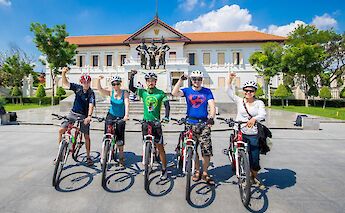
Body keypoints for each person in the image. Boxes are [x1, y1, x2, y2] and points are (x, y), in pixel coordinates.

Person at [171, 70, 216, 185]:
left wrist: (211, 117)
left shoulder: (207, 91)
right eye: (194, 79)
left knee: (206, 150)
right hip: (190, 123)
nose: (197, 81)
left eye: (199, 79)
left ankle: (205, 172)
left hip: (204, 124)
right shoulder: (187, 90)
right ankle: (196, 170)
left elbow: (212, 105)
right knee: (193, 149)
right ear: (191, 80)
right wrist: (180, 80)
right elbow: (174, 93)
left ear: (202, 80)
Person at [226, 72, 266, 187]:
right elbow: (228, 92)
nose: (248, 93)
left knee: (255, 159)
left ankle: (253, 177)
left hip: (253, 133)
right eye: (246, 91)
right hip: (240, 131)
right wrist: (230, 79)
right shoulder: (240, 101)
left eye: (251, 91)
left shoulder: (259, 103)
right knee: (239, 153)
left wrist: (255, 118)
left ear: (254, 92)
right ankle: (240, 169)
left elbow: (263, 114)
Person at [129, 70, 170, 179]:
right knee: (146, 145)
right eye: (148, 81)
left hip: (156, 123)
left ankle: (164, 169)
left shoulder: (160, 93)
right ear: (146, 82)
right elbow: (131, 88)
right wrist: (132, 76)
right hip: (146, 123)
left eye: (152, 81)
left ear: (155, 82)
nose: (150, 82)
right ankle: (148, 166)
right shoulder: (143, 92)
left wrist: (166, 116)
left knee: (160, 147)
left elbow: (167, 105)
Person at [58, 67, 96, 166]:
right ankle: (60, 155)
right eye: (84, 82)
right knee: (61, 130)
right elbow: (66, 83)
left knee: (86, 136)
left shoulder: (91, 93)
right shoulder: (77, 88)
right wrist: (63, 73)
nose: (86, 84)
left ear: (90, 83)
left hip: (84, 116)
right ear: (81, 82)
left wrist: (89, 116)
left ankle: (88, 157)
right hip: (73, 113)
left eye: (88, 82)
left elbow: (91, 105)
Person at [97, 75, 129, 166]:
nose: (116, 86)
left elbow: (127, 104)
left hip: (120, 116)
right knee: (107, 133)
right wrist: (98, 80)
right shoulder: (111, 92)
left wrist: (126, 115)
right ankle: (105, 151)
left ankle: (121, 157)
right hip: (111, 115)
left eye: (117, 84)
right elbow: (100, 89)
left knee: (120, 138)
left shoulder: (124, 93)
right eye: (114, 84)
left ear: (120, 84)